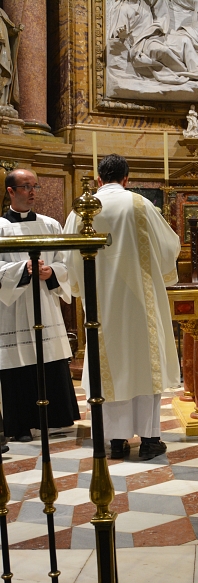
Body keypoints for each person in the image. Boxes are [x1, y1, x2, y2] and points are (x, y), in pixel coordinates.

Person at [64, 154, 181, 460]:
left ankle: (115, 442)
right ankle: (150, 440)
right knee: (144, 363)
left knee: (110, 366)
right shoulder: (140, 204)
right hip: (141, 303)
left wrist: (79, 288)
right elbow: (170, 246)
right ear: (127, 179)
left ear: (98, 179)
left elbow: (68, 256)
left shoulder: (81, 208)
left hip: (100, 301)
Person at [0, 169, 80, 442]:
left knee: (48, 356)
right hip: (13, 307)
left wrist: (52, 272)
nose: (32, 192)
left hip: (45, 302)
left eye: (35, 186)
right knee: (18, 361)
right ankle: (20, 424)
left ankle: (55, 417)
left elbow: (65, 262)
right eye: (25, 187)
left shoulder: (50, 225)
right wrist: (22, 268)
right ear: (10, 191)